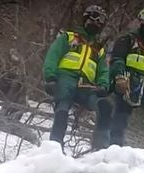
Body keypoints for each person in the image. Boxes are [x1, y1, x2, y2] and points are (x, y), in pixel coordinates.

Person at [100, 8, 144, 156]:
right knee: (121, 113)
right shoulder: (127, 39)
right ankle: (114, 147)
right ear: (140, 22)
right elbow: (117, 59)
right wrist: (119, 77)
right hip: (127, 80)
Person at [42, 5, 112, 151]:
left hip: (87, 85)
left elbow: (103, 70)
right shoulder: (69, 38)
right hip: (65, 77)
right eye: (94, 20)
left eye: (100, 23)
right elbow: (53, 56)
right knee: (63, 106)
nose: (96, 24)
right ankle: (55, 147)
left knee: (105, 106)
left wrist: (103, 85)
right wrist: (50, 77)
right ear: (86, 20)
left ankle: (101, 148)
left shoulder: (98, 49)